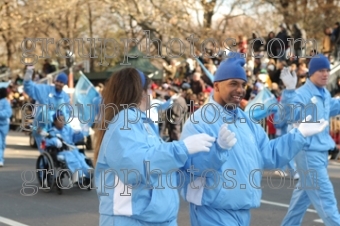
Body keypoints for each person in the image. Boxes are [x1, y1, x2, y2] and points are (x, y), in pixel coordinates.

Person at [179, 55, 329, 226]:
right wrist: (217, 150)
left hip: (242, 213)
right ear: (216, 86)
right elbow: (192, 166)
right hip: (211, 213)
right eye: (233, 84)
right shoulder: (199, 121)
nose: (240, 90)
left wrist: (298, 135)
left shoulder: (245, 120)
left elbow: (269, 155)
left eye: (242, 84)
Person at [93, 68, 219, 226]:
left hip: (153, 219)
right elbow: (135, 168)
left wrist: (218, 150)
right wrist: (182, 149)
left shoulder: (141, 123)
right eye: (149, 90)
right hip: (131, 220)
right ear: (140, 92)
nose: (151, 96)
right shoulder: (125, 121)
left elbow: (167, 168)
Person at [279, 54, 340, 225]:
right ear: (311, 73)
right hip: (308, 154)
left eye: (327, 70)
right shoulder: (302, 94)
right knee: (326, 202)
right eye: (321, 70)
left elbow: (333, 107)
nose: (326, 74)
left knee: (300, 203)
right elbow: (287, 115)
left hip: (320, 154)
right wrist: (289, 91)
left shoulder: (325, 93)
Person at [23, 66, 71, 153]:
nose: (59, 83)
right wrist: (29, 73)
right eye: (58, 81)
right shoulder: (45, 90)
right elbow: (29, 88)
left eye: (61, 82)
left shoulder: (65, 97)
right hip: (41, 129)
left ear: (64, 84)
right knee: (45, 152)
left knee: (58, 154)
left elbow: (66, 114)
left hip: (56, 131)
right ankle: (44, 164)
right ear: (54, 81)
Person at [43, 110, 92, 184]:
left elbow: (75, 138)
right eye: (60, 120)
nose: (62, 121)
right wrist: (55, 140)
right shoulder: (52, 131)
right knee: (73, 160)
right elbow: (46, 141)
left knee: (81, 158)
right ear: (55, 121)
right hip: (61, 152)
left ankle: (87, 171)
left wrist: (80, 132)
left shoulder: (68, 129)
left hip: (72, 150)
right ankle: (79, 175)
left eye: (63, 119)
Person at [0, 87, 12, 167]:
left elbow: (8, 113)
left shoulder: (5, 102)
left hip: (4, 125)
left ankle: (1, 158)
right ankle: (0, 159)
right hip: (3, 124)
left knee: (2, 143)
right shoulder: (6, 101)